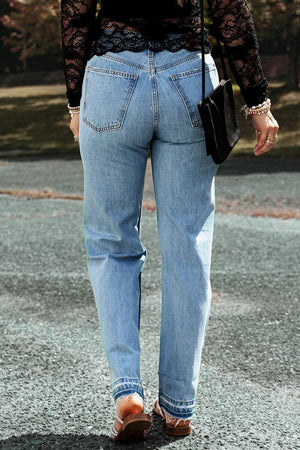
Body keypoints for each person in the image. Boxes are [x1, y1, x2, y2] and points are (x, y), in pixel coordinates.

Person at [61, 0, 279, 442]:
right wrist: (258, 101)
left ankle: (128, 394)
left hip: (110, 79)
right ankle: (178, 406)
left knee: (111, 242)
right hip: (188, 79)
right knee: (188, 241)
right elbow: (230, 11)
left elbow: (76, 12)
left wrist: (74, 101)